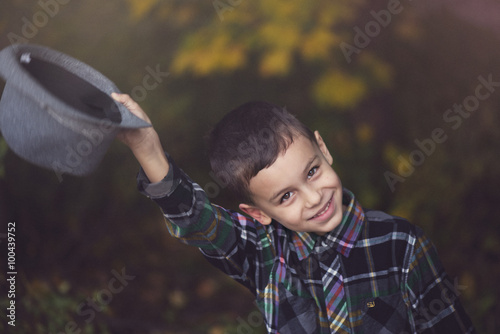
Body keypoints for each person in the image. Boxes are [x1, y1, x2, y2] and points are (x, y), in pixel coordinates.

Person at [112, 93, 475, 334]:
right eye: (286, 196)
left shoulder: (403, 245)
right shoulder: (263, 254)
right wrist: (148, 149)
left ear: (323, 149)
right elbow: (197, 220)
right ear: (257, 213)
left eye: (312, 172)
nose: (314, 198)